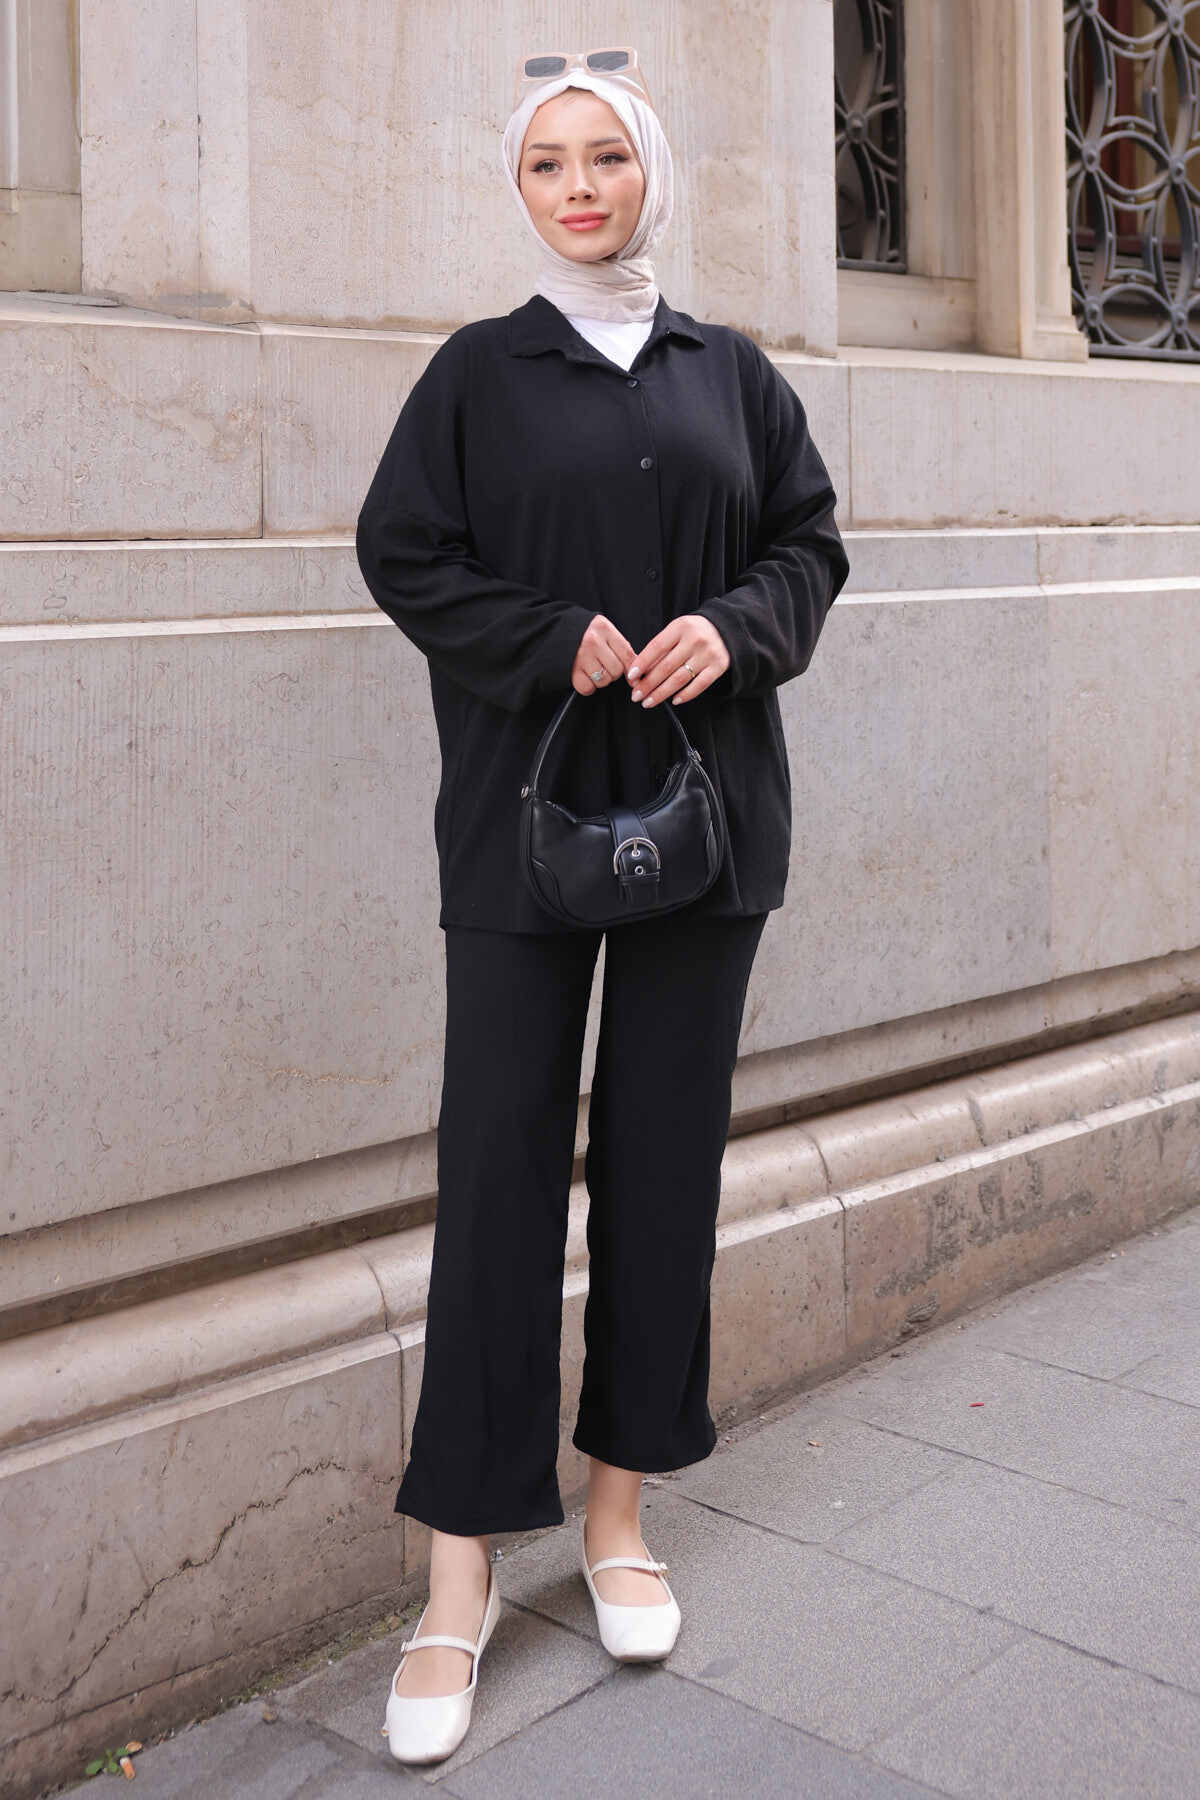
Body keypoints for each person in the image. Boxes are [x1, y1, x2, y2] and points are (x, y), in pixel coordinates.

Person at [355, 47, 850, 1765]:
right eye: (548, 164)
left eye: (607, 158)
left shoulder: (735, 374)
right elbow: (404, 555)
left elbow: (808, 544)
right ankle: (457, 1578)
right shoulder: (476, 377)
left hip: (707, 838)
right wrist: (544, 634)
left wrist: (739, 628)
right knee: (497, 1179)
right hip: (523, 837)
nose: (578, 188)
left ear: (651, 173)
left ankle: (620, 1514)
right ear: (523, 188)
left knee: (662, 1169)